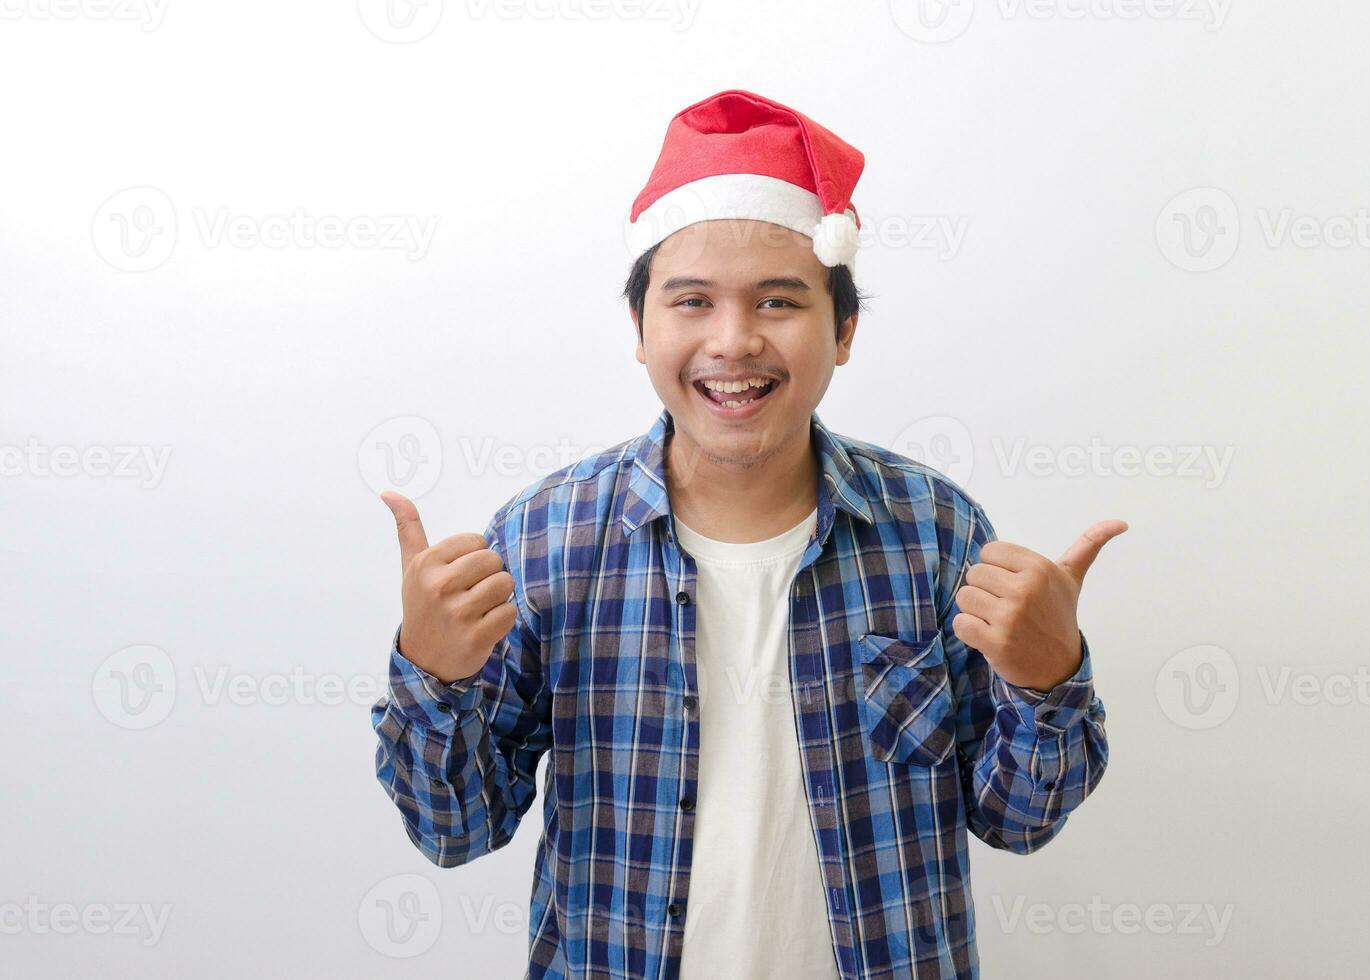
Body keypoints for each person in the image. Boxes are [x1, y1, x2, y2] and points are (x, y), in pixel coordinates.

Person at [371, 88, 1122, 980]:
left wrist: (1048, 681)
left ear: (843, 330)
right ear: (640, 332)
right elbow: (455, 831)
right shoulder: (544, 538)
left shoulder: (933, 531)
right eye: (690, 302)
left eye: (778, 302)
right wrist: (431, 674)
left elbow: (1017, 822)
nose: (733, 342)